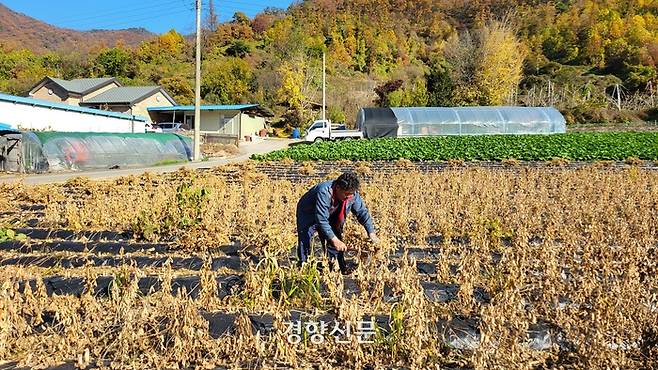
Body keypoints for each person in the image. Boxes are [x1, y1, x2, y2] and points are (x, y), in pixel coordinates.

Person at [296, 172, 379, 274]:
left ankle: (333, 266)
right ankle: (304, 266)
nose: (349, 197)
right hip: (309, 212)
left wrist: (371, 233)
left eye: (351, 194)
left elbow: (362, 213)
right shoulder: (325, 192)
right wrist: (335, 241)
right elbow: (321, 220)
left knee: (335, 234)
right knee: (305, 237)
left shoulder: (352, 194)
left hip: (333, 211)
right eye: (346, 194)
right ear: (338, 188)